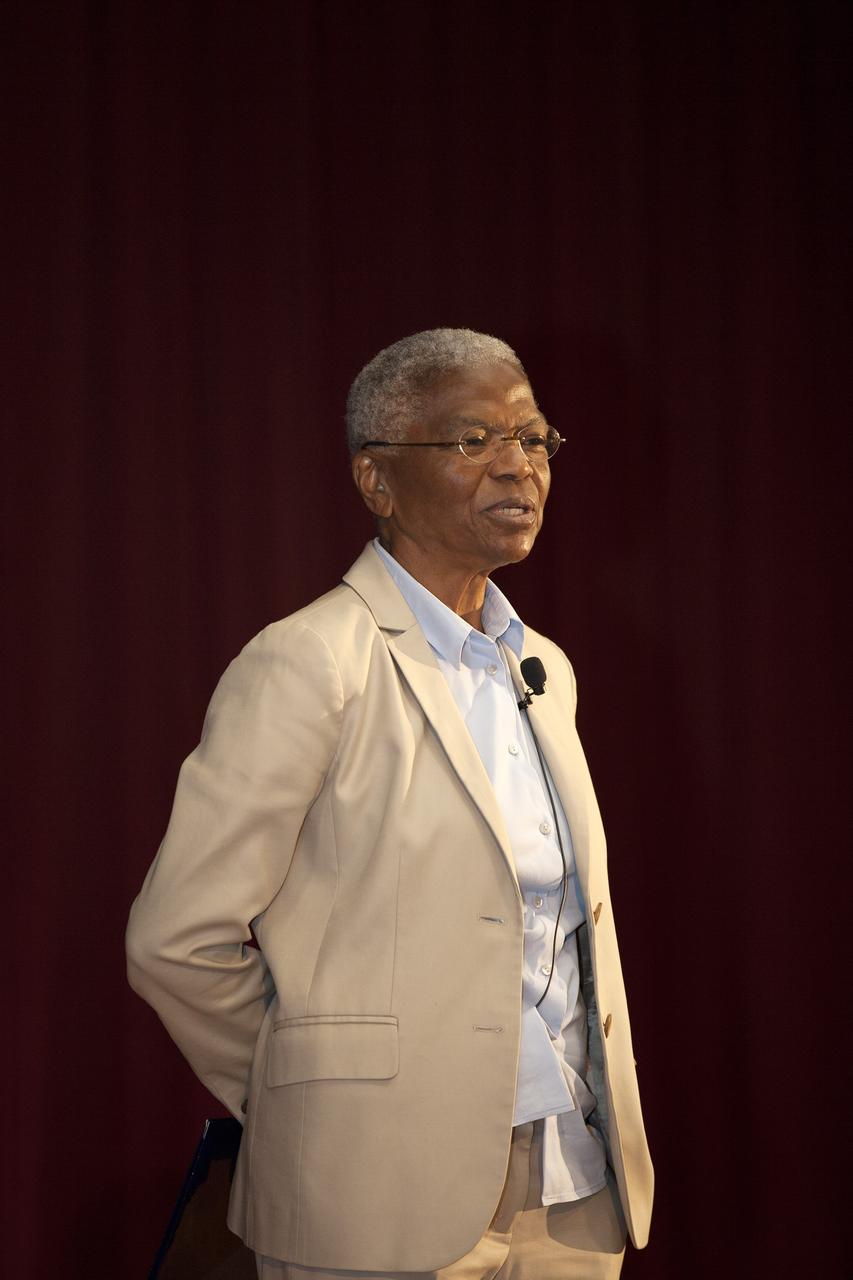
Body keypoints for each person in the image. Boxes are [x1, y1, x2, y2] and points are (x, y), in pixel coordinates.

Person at [126, 328, 653, 1280]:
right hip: (375, 1194)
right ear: (376, 481)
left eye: (534, 440)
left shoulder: (544, 668)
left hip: (571, 1190)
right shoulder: (311, 661)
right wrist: (327, 1104)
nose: (518, 467)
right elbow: (177, 941)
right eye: (473, 441)